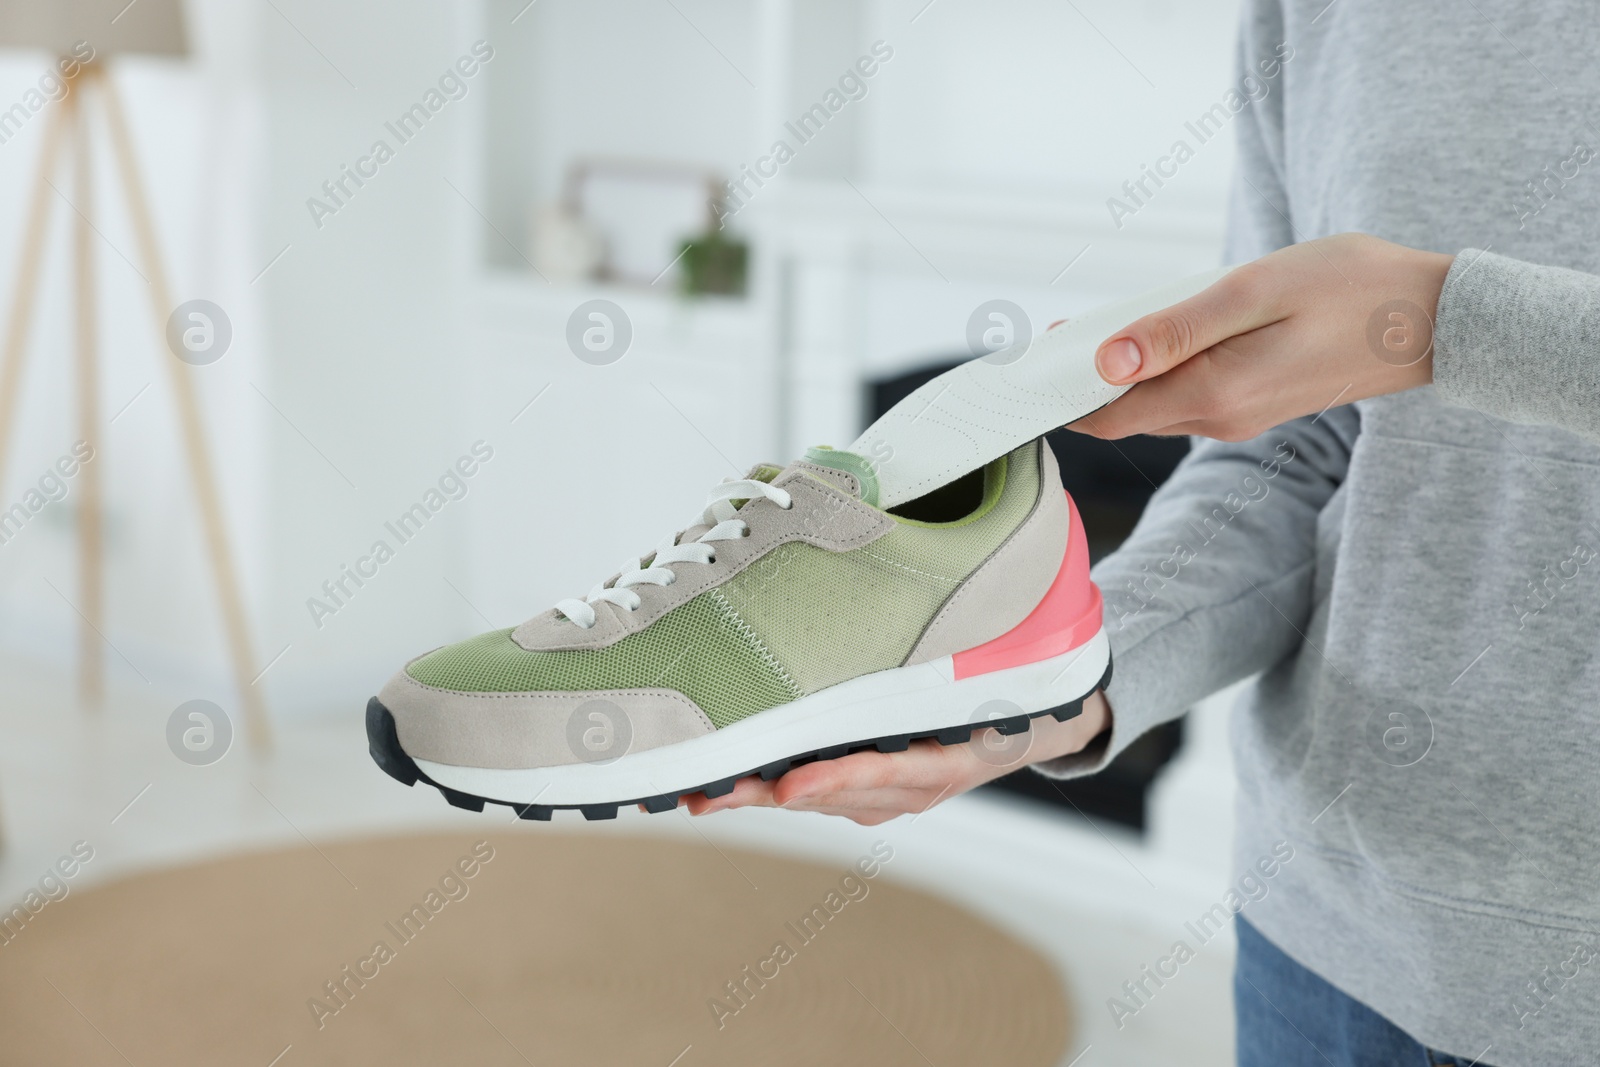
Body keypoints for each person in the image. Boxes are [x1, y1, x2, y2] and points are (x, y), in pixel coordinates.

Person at [690, 2, 1600, 1064]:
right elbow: (1291, 460)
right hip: (1319, 939)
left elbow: (1411, 331)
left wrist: (1445, 319)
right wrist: (1063, 677)